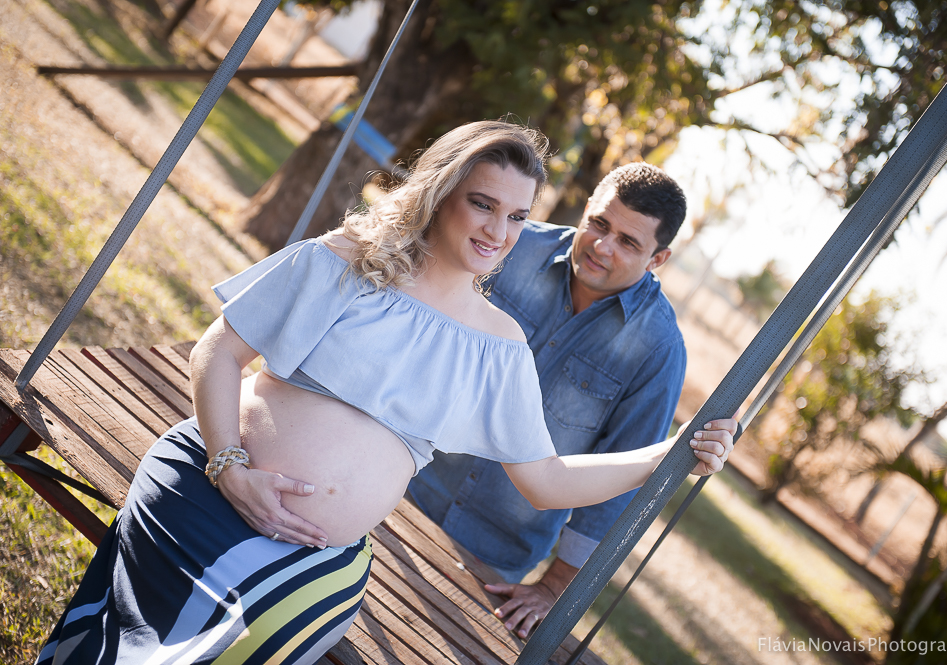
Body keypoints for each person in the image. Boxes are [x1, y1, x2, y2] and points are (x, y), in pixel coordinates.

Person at [38, 121, 734, 665]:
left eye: (517, 216)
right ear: (442, 193)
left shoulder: (499, 345)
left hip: (313, 555)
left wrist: (668, 455)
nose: (499, 231)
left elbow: (548, 481)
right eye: (482, 203)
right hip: (208, 486)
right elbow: (216, 352)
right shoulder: (349, 260)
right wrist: (231, 468)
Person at [409, 162, 694, 639]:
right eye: (600, 224)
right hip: (404, 483)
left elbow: (620, 478)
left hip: (494, 557)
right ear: (587, 210)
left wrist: (554, 587)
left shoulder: (659, 351)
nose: (603, 246)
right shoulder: (511, 249)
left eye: (628, 242)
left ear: (657, 258)